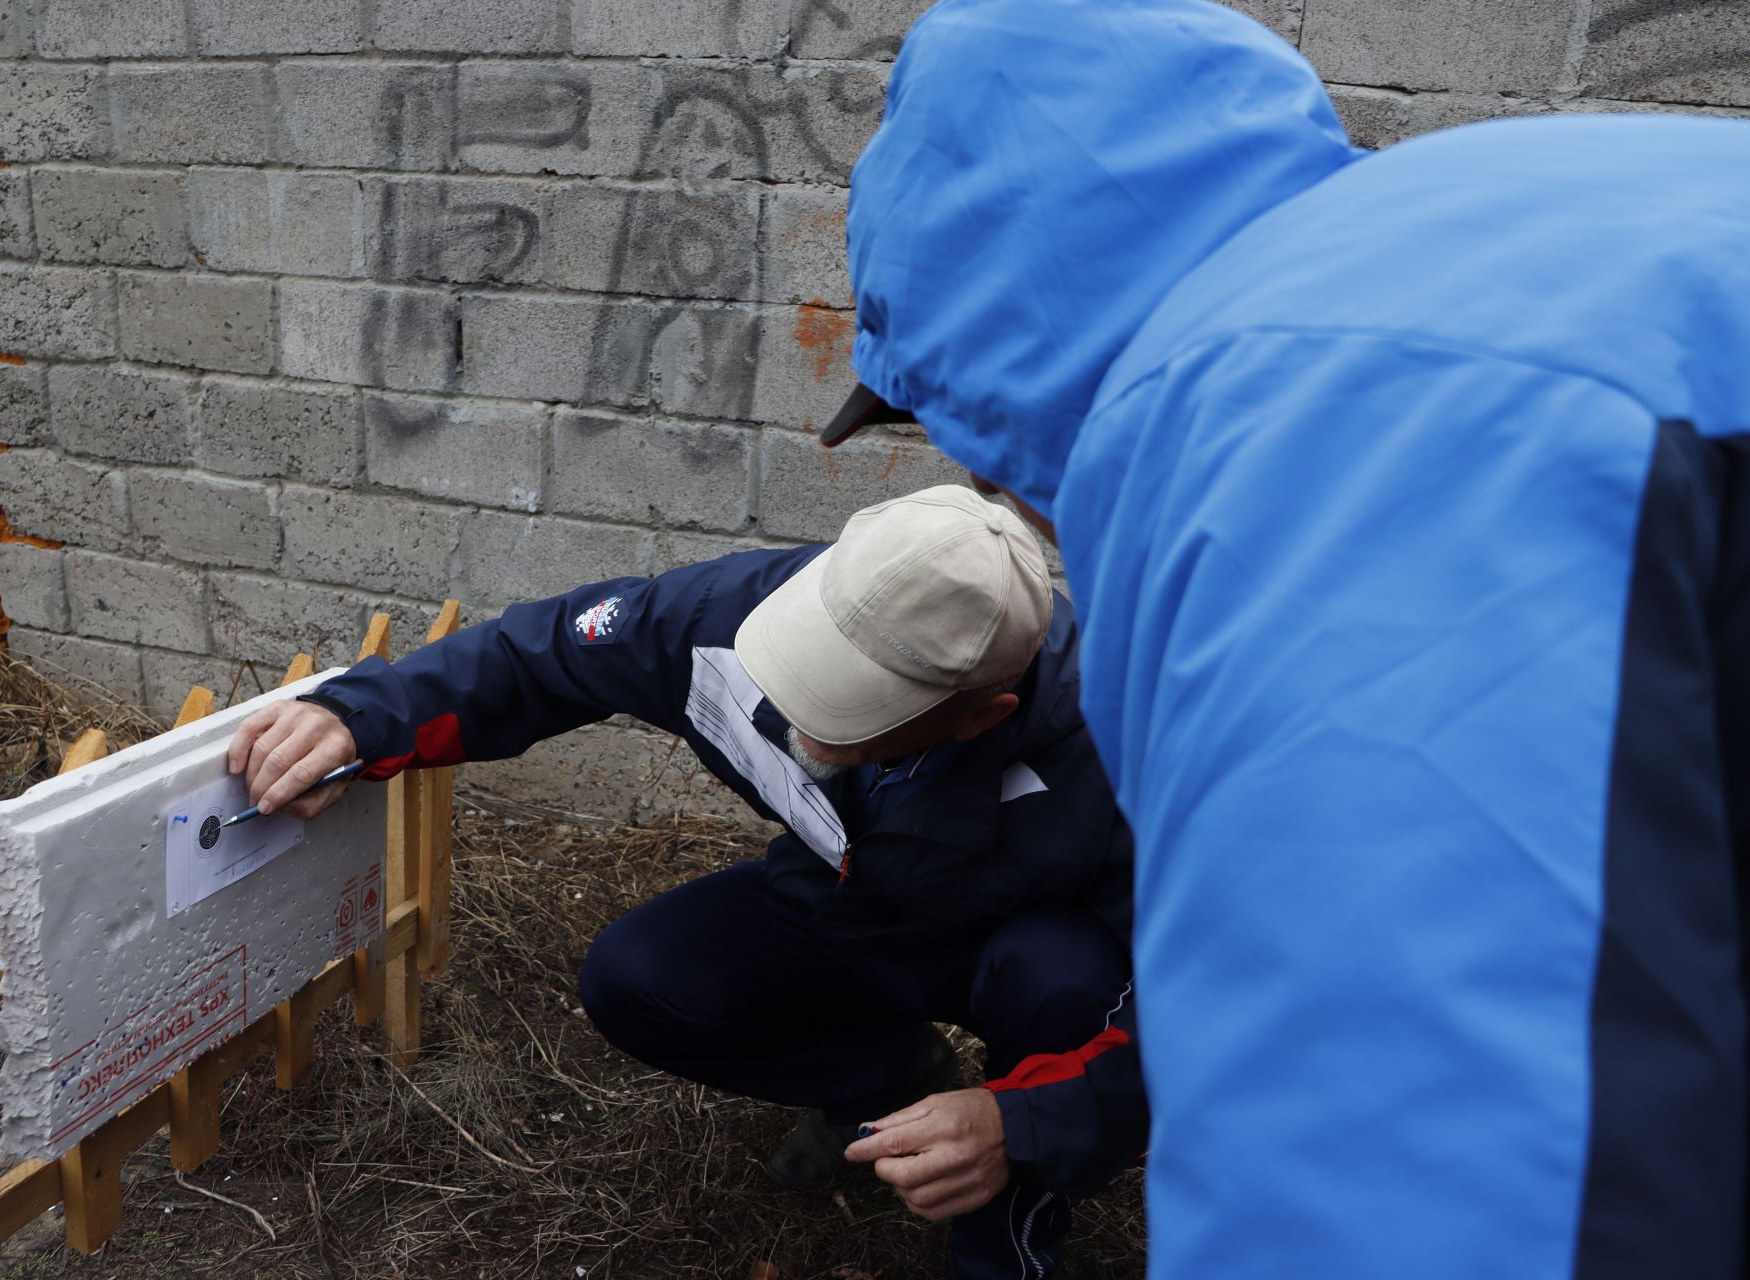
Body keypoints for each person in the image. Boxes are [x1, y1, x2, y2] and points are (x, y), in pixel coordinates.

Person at [821, 0, 1750, 1277]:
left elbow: (1420, 1135)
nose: (988, 489)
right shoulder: (1467, 224)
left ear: (1007, 342)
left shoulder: (1294, 418)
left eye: (954, 426)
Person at [228, 485, 1147, 1278]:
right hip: (854, 898)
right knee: (641, 976)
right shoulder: (738, 614)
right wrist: (363, 715)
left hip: (1026, 944)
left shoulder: (1133, 752)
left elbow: (1220, 1023)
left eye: (855, 711)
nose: (796, 720)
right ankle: (894, 1082)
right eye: (807, 672)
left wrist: (1022, 1122)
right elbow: (539, 655)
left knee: (1060, 980)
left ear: (985, 714)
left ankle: (1003, 1235)